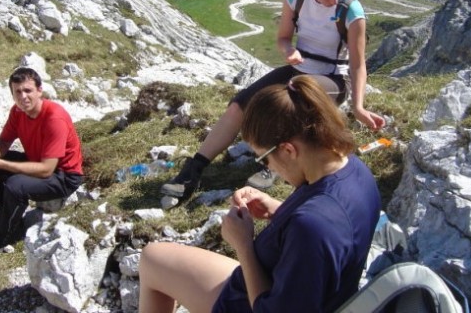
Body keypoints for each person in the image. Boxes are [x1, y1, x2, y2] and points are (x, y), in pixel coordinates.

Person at [140, 75, 382, 312]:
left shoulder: (312, 226)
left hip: (250, 300)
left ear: (288, 149)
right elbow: (327, 237)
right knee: (155, 256)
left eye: (264, 159)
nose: (268, 167)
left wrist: (243, 245)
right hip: (306, 291)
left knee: (151, 260)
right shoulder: (355, 171)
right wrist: (277, 210)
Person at [161, 0, 385, 201]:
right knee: (240, 104)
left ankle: (273, 165)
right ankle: (194, 169)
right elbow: (283, 38)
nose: (334, 1)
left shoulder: (351, 9)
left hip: (333, 77)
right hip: (299, 69)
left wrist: (358, 106)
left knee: (291, 95)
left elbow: (357, 63)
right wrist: (289, 51)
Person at [0, 67, 83, 247]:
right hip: (38, 161)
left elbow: (46, 169)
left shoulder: (53, 118)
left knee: (15, 186)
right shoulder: (17, 112)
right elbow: (4, 140)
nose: (23, 96)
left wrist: (1, 163)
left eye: (28, 90)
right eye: (17, 91)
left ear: (39, 90)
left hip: (64, 176)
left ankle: (6, 233)